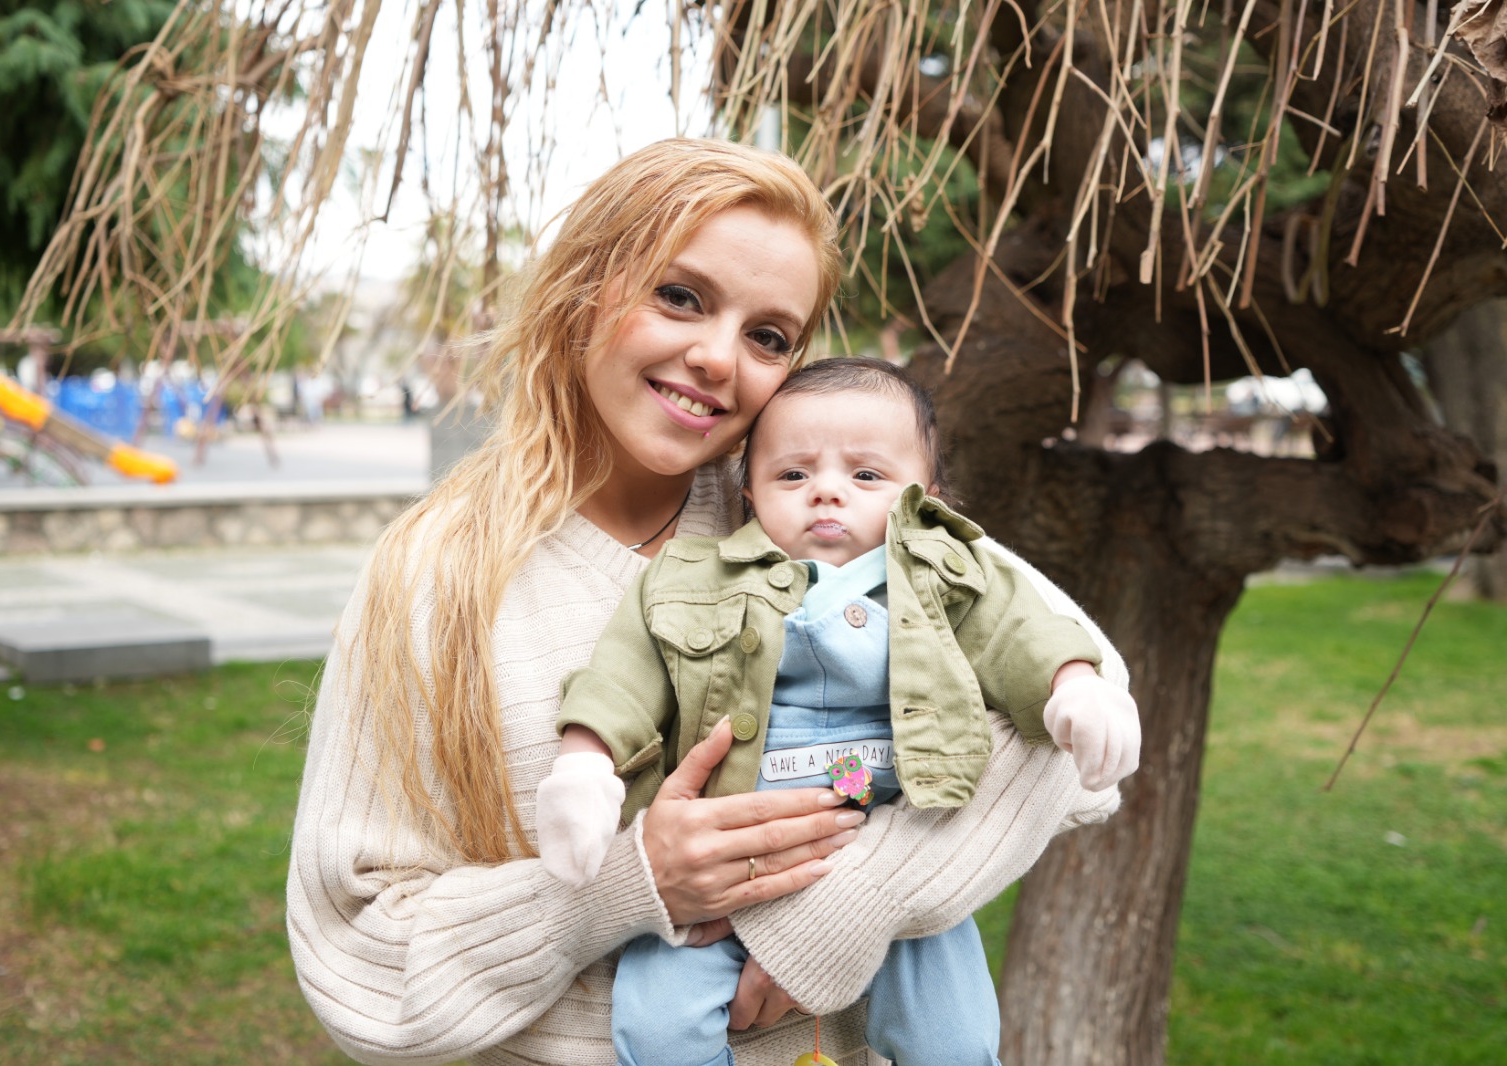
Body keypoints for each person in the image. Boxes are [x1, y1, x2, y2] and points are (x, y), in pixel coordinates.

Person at [287, 138, 1127, 1066]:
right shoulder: (435, 576)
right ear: (582, 286)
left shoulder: (812, 504)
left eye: (769, 336)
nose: (718, 358)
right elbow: (359, 960)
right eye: (680, 296)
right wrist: (627, 885)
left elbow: (1083, 710)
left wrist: (849, 909)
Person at [538, 358, 1140, 1066]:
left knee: (955, 1040)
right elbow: (623, 677)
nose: (826, 491)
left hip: (895, 831)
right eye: (793, 475)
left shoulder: (946, 572)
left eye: (866, 476)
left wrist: (1073, 685)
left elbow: (1018, 630)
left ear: (926, 496)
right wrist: (584, 763)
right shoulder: (691, 581)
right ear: (751, 494)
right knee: (658, 1029)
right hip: (730, 854)